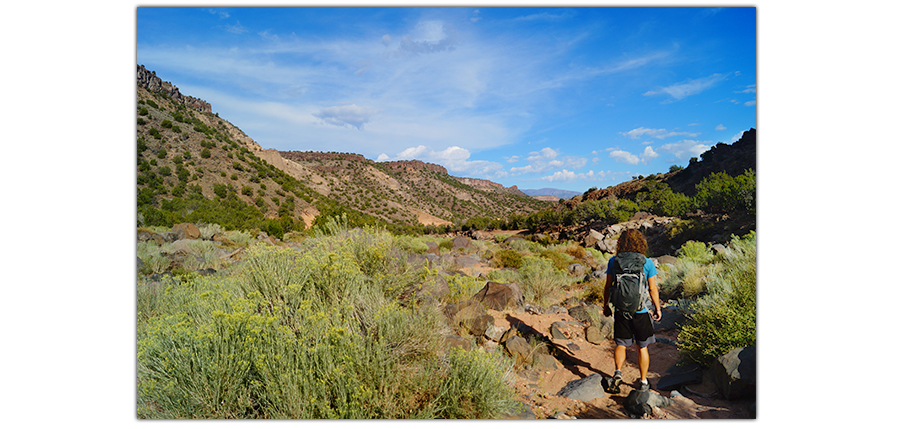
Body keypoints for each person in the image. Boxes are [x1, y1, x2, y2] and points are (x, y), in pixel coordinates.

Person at [602, 228, 662, 391]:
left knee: (621, 344)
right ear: (640, 243)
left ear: (621, 243)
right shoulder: (647, 262)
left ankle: (618, 373)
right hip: (641, 311)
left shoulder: (613, 262)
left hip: (621, 310)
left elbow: (608, 286)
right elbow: (652, 289)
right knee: (642, 347)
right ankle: (643, 382)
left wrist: (606, 305)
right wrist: (657, 308)